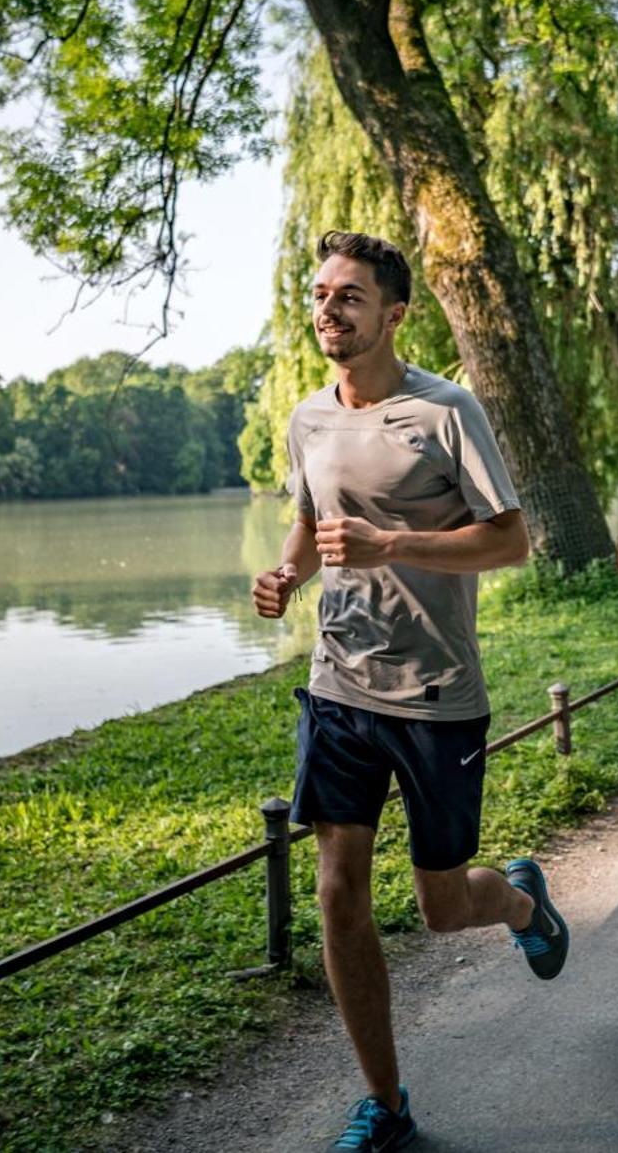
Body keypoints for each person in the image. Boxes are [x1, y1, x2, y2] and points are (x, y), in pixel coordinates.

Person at [252, 232, 568, 1153]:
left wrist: (397, 545)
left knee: (439, 907)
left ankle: (516, 901)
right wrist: (284, 576)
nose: (328, 310)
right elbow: (311, 528)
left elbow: (510, 542)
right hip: (340, 687)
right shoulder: (309, 419)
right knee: (338, 891)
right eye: (319, 294)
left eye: (350, 296)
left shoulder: (446, 411)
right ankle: (385, 1104)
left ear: (395, 313)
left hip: (435, 694)